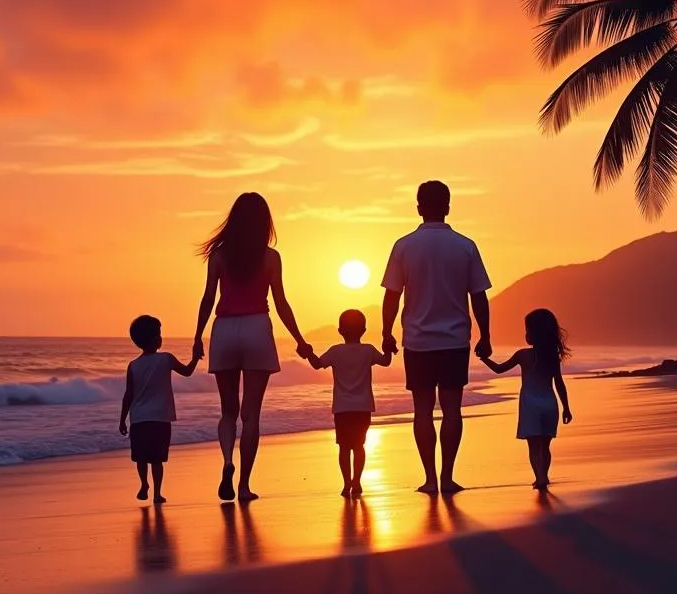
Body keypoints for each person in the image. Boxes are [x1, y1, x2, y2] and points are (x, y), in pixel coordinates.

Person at [193, 192, 311, 503]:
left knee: (228, 411)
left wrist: (196, 338)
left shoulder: (218, 255)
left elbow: (208, 298)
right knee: (252, 414)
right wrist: (299, 340)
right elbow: (282, 302)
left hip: (225, 329)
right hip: (258, 327)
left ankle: (227, 462)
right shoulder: (271, 257)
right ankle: (244, 485)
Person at [381, 180, 492, 495]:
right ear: (447, 206)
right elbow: (478, 296)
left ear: (419, 208)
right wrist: (485, 336)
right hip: (455, 339)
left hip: (417, 341)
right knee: (452, 409)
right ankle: (447, 477)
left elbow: (392, 295)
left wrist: (387, 333)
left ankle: (430, 478)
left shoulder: (404, 246)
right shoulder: (465, 245)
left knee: (423, 410)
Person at [479, 308, 573, 489]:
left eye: (527, 329)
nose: (526, 333)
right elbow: (559, 383)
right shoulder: (552, 356)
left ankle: (539, 477)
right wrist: (566, 408)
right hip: (549, 404)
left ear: (533, 333)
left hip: (530, 405)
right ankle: (544, 475)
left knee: (533, 446)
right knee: (545, 446)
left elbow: (499, 369)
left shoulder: (523, 355)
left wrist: (484, 359)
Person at [307, 308, 393, 497]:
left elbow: (316, 364)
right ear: (363, 330)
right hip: (363, 407)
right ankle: (357, 481)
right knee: (359, 445)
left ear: (340, 331)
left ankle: (346, 484)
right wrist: (389, 345)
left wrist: (307, 352)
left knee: (344, 447)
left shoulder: (335, 351)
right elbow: (386, 361)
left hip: (343, 408)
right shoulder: (368, 350)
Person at [119, 315, 200, 504]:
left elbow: (128, 395)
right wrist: (195, 358)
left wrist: (122, 419)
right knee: (157, 459)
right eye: (159, 333)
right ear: (156, 339)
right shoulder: (166, 359)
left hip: (138, 419)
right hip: (160, 418)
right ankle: (156, 493)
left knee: (140, 457)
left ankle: (143, 484)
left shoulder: (133, 365)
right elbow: (187, 372)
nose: (161, 337)